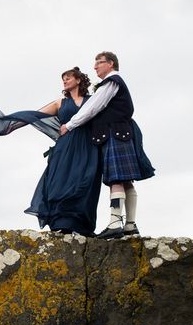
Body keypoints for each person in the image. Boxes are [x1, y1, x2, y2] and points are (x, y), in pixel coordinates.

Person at [0, 67, 102, 236]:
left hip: (88, 147)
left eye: (68, 78)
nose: (65, 81)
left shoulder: (92, 100)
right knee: (61, 182)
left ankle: (82, 226)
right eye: (63, 79)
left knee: (85, 183)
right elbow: (34, 115)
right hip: (65, 147)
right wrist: (9, 126)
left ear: (78, 80)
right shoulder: (60, 103)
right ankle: (61, 223)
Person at [60, 52, 155, 239]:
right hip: (120, 132)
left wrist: (69, 125)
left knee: (116, 179)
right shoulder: (113, 83)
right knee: (126, 180)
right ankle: (130, 225)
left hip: (114, 133)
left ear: (110, 64)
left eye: (99, 63)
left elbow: (93, 106)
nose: (95, 67)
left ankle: (114, 223)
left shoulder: (112, 82)